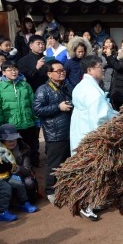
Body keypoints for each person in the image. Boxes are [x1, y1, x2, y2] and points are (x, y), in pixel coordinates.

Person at [70, 55, 118, 220]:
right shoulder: (91, 90)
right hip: (90, 134)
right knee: (91, 170)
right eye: (99, 66)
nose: (102, 69)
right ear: (90, 70)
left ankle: (93, 201)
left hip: (82, 130)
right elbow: (101, 117)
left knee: (91, 169)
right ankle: (85, 204)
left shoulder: (83, 86)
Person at [33, 60, 72, 203]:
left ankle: (65, 188)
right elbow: (37, 110)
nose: (62, 72)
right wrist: (58, 107)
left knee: (68, 161)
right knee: (54, 163)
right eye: (58, 71)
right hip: (54, 133)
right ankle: (51, 190)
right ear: (49, 74)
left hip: (68, 130)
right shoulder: (43, 89)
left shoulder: (66, 87)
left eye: (63, 70)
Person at [0, 61, 40, 167]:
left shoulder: (25, 85)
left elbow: (33, 104)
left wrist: (36, 119)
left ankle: (31, 168)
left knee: (30, 146)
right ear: (3, 72)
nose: (13, 72)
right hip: (11, 126)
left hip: (27, 123)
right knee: (13, 150)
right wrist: (1, 125)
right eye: (10, 70)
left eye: (15, 69)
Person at [0, 124, 37, 202]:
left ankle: (27, 199)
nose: (12, 142)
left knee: (29, 182)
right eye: (8, 140)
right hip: (3, 177)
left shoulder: (23, 149)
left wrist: (14, 167)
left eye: (14, 139)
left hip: (20, 176)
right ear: (2, 141)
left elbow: (28, 171)